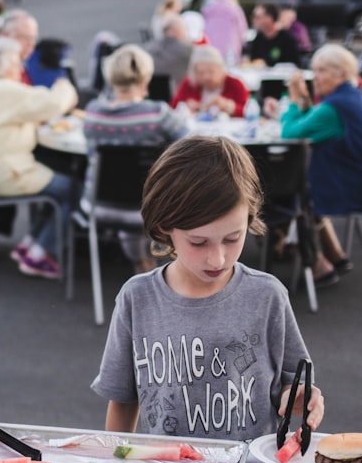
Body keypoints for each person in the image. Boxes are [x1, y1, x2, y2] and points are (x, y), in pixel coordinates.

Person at [91, 136, 325, 439]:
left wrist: (298, 399)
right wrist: (116, 462)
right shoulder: (137, 298)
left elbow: (292, 387)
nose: (218, 258)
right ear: (165, 227)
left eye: (232, 238)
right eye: (198, 242)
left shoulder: (267, 296)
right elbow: (123, 400)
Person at [0, 36, 78, 279]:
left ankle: (32, 243)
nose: (20, 68)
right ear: (0, 66)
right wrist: (63, 83)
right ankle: (41, 252)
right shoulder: (5, 91)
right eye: (15, 63)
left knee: (54, 186)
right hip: (8, 174)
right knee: (72, 189)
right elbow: (54, 104)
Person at [276, 44, 362, 287]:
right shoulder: (353, 96)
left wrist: (293, 103)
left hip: (353, 187)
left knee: (283, 192)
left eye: (321, 71)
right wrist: (304, 104)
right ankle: (334, 255)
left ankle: (317, 265)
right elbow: (311, 124)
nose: (314, 77)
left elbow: (290, 134)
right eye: (314, 70)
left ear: (341, 74)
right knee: (300, 183)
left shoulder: (334, 107)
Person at [82, 44, 187, 273]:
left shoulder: (92, 113)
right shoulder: (158, 114)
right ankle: (169, 268)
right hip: (149, 208)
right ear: (146, 76)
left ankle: (140, 262)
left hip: (98, 207)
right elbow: (189, 145)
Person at [170, 44, 250, 118]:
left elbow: (248, 112)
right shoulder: (189, 83)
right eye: (201, 73)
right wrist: (185, 108)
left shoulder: (235, 84)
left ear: (221, 69)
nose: (206, 77)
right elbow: (172, 110)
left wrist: (227, 106)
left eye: (211, 71)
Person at [201, 0, 248, 66]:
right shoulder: (234, 8)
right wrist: (243, 42)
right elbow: (242, 28)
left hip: (211, 45)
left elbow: (203, 26)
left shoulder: (208, 8)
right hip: (229, 46)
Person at [244, 1, 301, 68]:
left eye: (257, 17)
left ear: (269, 18)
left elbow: (294, 64)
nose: (253, 20)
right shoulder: (258, 38)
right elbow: (253, 60)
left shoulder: (287, 39)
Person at [143, 13, 193, 88]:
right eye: (184, 29)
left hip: (152, 94)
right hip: (179, 94)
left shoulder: (148, 49)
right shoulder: (189, 50)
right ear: (176, 30)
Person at [0, 8, 37, 84]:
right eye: (26, 38)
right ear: (6, 36)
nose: (31, 44)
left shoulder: (28, 67)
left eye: (33, 38)